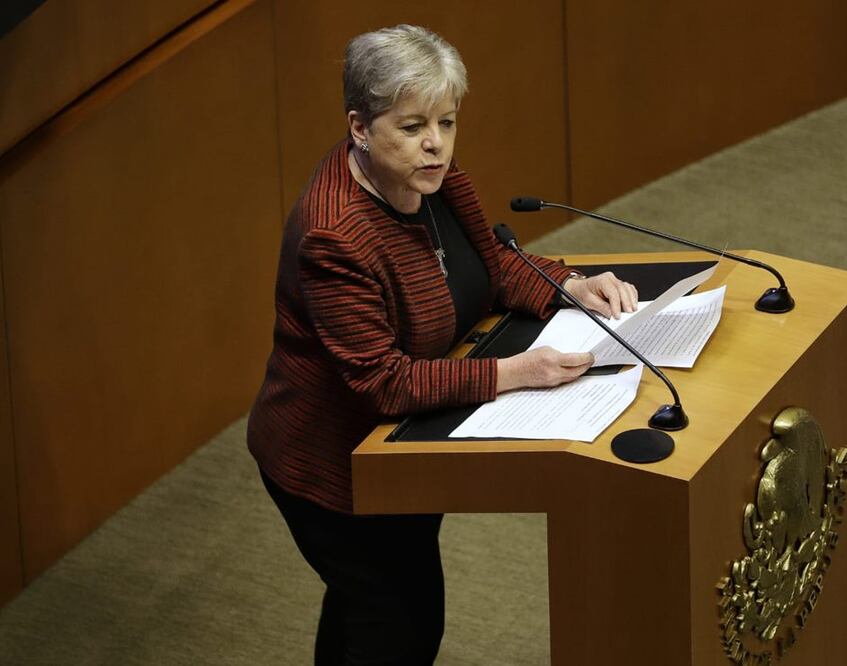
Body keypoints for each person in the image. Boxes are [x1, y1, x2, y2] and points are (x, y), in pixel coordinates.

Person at [247, 24, 638, 665]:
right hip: (332, 466)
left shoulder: (438, 180)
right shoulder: (335, 237)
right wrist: (516, 373)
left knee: (365, 612)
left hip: (407, 451)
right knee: (401, 624)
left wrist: (570, 286)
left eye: (447, 122)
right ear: (359, 127)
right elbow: (385, 381)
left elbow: (490, 269)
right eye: (412, 127)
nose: (436, 145)